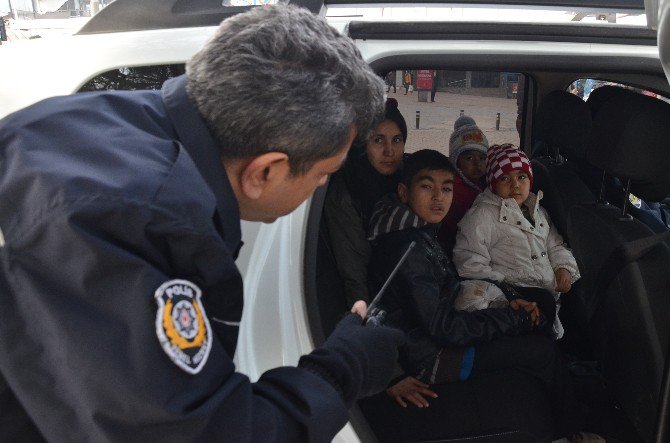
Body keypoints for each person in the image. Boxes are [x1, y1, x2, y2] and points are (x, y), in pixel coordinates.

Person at [0, 5, 405, 441]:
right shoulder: (131, 220)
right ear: (264, 172)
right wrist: (346, 368)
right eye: (325, 172)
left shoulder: (105, 121)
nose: (324, 183)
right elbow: (202, 433)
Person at [367, 150, 594, 441]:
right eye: (426, 187)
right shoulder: (407, 249)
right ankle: (569, 434)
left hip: (433, 337)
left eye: (446, 189)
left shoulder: (418, 233)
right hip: (432, 357)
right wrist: (510, 319)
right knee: (542, 352)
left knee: (537, 321)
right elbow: (443, 327)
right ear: (403, 192)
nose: (439, 197)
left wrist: (507, 304)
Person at [453, 143, 581, 339]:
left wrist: (563, 267)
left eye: (521, 177)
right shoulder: (481, 215)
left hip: (546, 287)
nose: (515, 185)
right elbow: (470, 262)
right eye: (505, 178)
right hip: (509, 292)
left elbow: (555, 245)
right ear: (493, 184)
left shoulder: (538, 211)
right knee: (544, 303)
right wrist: (504, 296)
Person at [323, 97, 407, 308]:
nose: (389, 151)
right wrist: (365, 317)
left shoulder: (408, 176)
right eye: (378, 140)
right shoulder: (347, 193)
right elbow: (354, 271)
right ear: (362, 144)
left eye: (397, 140)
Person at [438, 115, 488, 253]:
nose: (477, 164)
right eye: (469, 158)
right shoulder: (452, 189)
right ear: (456, 161)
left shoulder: (487, 184)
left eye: (482, 158)